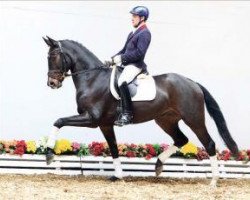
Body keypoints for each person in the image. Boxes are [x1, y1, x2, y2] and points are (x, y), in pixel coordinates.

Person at [107, 6, 151, 126]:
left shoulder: (145, 33)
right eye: (132, 16)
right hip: (127, 65)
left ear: (142, 18)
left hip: (136, 65)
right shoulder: (133, 33)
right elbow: (124, 50)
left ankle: (127, 113)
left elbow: (139, 53)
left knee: (122, 81)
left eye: (135, 16)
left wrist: (121, 58)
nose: (132, 18)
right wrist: (112, 59)